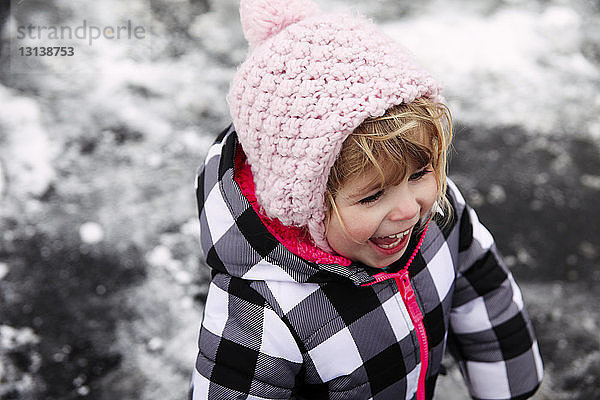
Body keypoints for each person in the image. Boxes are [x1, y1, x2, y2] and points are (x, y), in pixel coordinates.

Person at [189, 0, 543, 399]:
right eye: (373, 196)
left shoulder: (440, 219)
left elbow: (487, 298)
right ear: (305, 203)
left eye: (420, 173)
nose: (409, 210)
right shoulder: (261, 309)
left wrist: (512, 390)